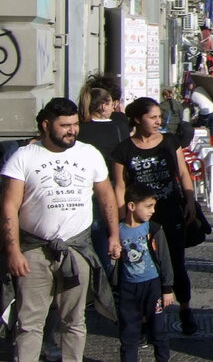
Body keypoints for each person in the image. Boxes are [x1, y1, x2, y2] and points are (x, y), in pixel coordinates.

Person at [1, 97, 121, 362]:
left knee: (75, 321)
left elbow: (106, 196)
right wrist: (13, 251)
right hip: (34, 249)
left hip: (77, 247)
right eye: (65, 125)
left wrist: (114, 235)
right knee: (29, 322)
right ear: (46, 125)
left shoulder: (89, 154)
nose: (72, 130)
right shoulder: (24, 157)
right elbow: (9, 206)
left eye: (75, 124)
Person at [112, 97, 201, 335]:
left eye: (159, 117)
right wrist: (122, 218)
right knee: (142, 263)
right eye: (152, 117)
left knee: (176, 262)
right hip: (140, 216)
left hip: (171, 209)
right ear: (137, 119)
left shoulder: (169, 141)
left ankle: (185, 309)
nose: (158, 121)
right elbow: (119, 186)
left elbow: (183, 172)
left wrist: (190, 200)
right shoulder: (124, 149)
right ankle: (145, 318)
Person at [114, 182, 174, 362]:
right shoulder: (117, 230)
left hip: (152, 286)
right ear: (132, 206)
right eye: (148, 206)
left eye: (153, 206)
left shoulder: (154, 229)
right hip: (127, 287)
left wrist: (167, 288)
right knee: (129, 332)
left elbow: (164, 259)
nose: (153, 211)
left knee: (158, 330)